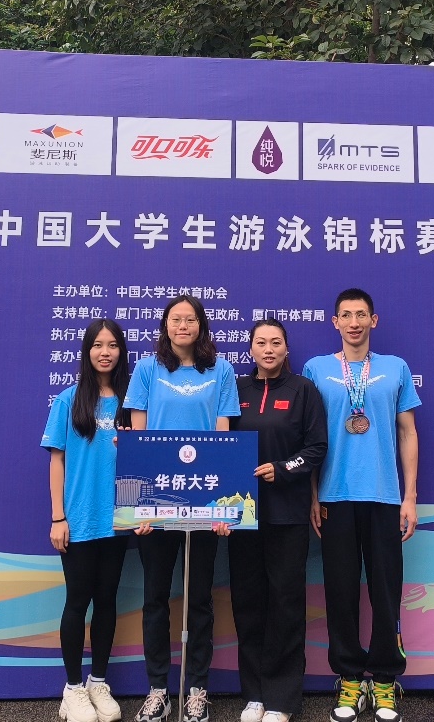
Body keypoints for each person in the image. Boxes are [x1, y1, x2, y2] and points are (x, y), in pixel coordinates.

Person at [303, 288, 420, 722]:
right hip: (334, 497)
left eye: (361, 315)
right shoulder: (316, 369)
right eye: (346, 315)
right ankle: (350, 678)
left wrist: (409, 497)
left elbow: (407, 432)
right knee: (341, 592)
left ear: (374, 320)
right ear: (335, 322)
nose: (354, 323)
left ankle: (385, 680)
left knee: (386, 592)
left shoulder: (395, 368)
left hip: (385, 497)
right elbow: (310, 438)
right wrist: (312, 496)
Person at [126, 295, 242, 722]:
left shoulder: (221, 370)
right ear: (165, 326)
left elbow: (224, 435)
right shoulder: (146, 369)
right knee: (155, 597)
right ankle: (158, 688)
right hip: (157, 501)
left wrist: (222, 509)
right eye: (175, 319)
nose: (182, 326)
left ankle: (196, 689)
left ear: (201, 326)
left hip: (203, 501)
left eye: (190, 319)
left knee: (199, 599)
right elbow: (138, 437)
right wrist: (138, 508)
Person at [230, 319, 327, 722]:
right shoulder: (236, 389)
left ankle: (282, 699)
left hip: (288, 514)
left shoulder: (303, 390)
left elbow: (317, 446)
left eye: (275, 342)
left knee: (286, 603)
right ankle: (254, 694)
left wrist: (284, 468)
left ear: (286, 349)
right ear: (250, 349)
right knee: (248, 602)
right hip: (241, 514)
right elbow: (218, 442)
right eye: (261, 342)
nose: (268, 349)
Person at [41, 319, 132, 722]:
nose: (105, 352)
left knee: (108, 599)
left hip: (120, 518)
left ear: (121, 351)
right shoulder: (69, 400)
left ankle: (98, 682)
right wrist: (58, 517)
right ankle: (73, 689)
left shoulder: (132, 401)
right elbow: (56, 461)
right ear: (86, 351)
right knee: (78, 601)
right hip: (78, 520)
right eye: (97, 345)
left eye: (112, 345)